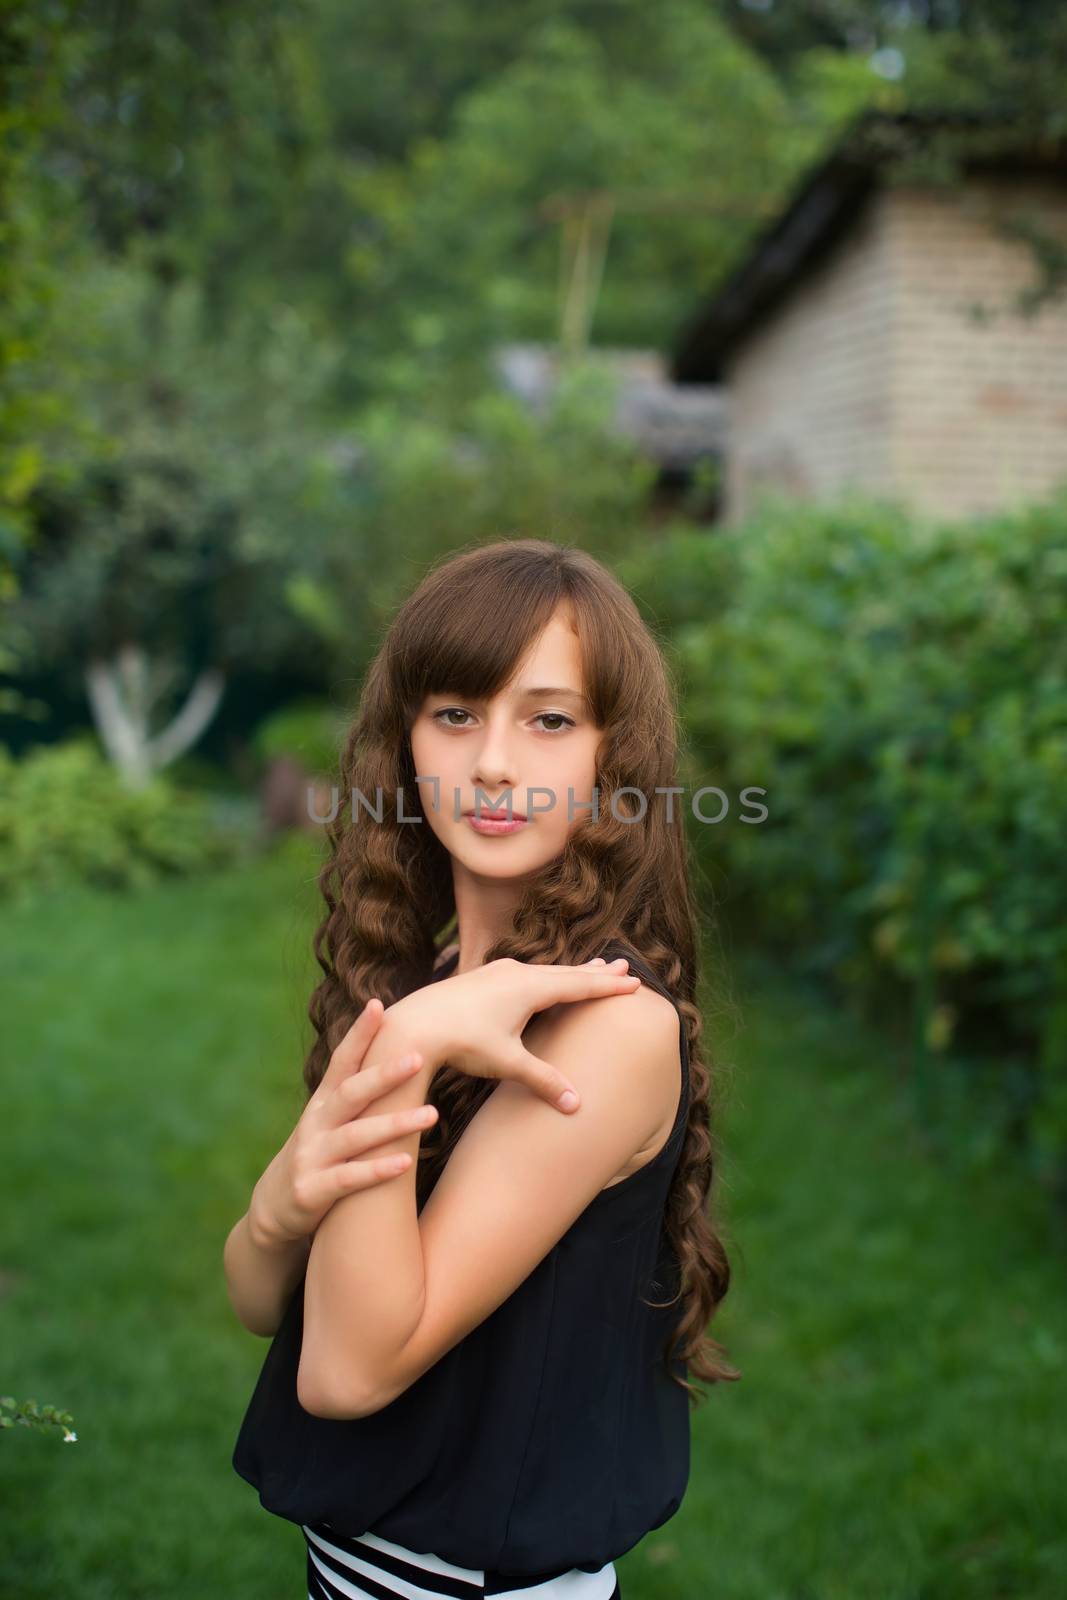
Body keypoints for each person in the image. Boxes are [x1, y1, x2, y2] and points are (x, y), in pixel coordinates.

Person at [224, 538, 740, 1599]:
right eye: (454, 713)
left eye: (548, 719)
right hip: (359, 1569)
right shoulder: (436, 974)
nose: (493, 762)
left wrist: (406, 1045)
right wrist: (283, 1203)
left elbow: (345, 1371)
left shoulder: (606, 1027)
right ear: (404, 742)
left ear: (611, 754)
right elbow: (257, 1286)